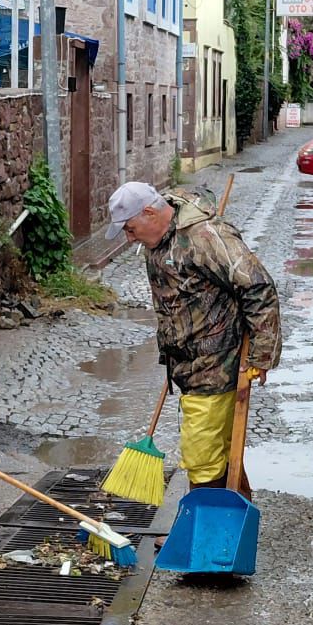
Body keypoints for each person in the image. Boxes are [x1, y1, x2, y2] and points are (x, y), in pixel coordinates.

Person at [108, 180, 281, 497]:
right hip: (187, 363)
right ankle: (231, 524)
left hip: (215, 363)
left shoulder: (204, 238)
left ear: (150, 212)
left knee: (201, 456)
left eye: (130, 229)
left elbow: (258, 287)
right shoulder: (160, 239)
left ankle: (202, 538)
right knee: (220, 449)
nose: (128, 238)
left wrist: (261, 354)